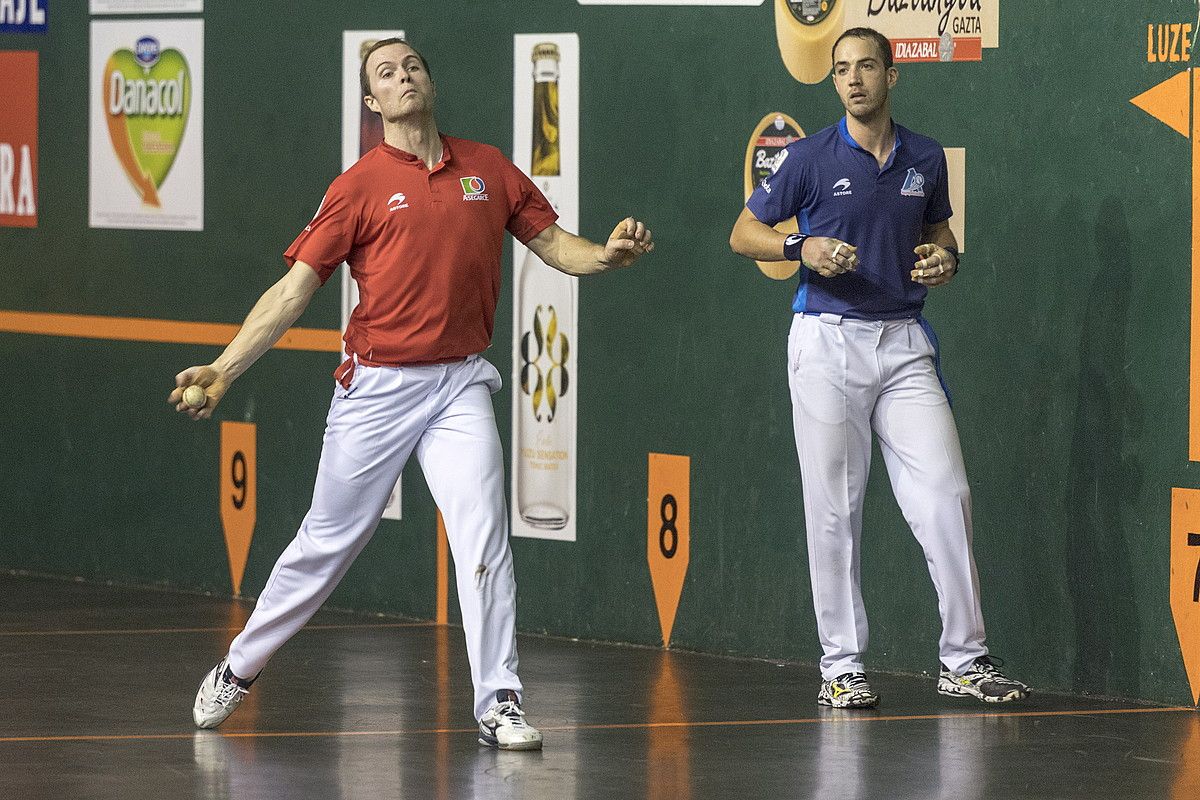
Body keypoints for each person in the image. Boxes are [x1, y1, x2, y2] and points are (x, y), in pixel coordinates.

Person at [170, 38, 653, 749]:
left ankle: (499, 702)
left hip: (458, 383)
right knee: (325, 543)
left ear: (429, 80)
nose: (403, 79)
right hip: (378, 388)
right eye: (386, 75)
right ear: (373, 102)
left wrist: (605, 257)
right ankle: (239, 668)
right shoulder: (358, 186)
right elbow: (294, 291)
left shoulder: (488, 169)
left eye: (412, 67)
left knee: (484, 536)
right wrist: (225, 368)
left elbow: (555, 246)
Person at [729, 27, 1027, 708]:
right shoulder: (807, 157)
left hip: (902, 342)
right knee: (834, 508)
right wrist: (800, 246)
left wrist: (946, 257)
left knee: (947, 494)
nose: (854, 79)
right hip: (826, 342)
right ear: (833, 82)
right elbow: (744, 233)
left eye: (866, 66)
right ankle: (841, 665)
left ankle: (965, 659)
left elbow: (937, 233)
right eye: (841, 70)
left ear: (893, 76)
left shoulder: (924, 157)